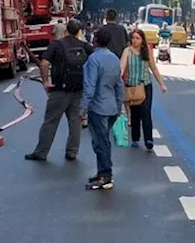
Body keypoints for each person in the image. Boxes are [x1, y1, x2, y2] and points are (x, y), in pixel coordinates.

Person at [26, 19, 90, 162]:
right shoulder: (84, 46)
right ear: (79, 32)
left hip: (59, 90)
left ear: (66, 30)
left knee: (50, 121)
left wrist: (46, 81)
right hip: (78, 90)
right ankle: (72, 152)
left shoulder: (57, 45)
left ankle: (41, 152)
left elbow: (44, 63)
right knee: (75, 122)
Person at [80, 28, 125, 191]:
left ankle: (105, 175)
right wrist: (119, 105)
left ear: (96, 40)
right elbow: (119, 84)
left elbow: (90, 86)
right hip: (111, 106)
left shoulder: (93, 59)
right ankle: (102, 172)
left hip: (98, 107)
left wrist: (83, 108)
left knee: (101, 143)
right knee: (103, 141)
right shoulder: (113, 58)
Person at [120, 29, 167, 151]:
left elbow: (154, 69)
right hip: (132, 87)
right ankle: (135, 138)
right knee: (135, 113)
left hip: (145, 85)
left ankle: (148, 139)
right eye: (133, 38)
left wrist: (162, 84)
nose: (135, 40)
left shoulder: (147, 52)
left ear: (142, 40)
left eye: (137, 38)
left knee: (146, 112)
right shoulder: (127, 51)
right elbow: (122, 67)